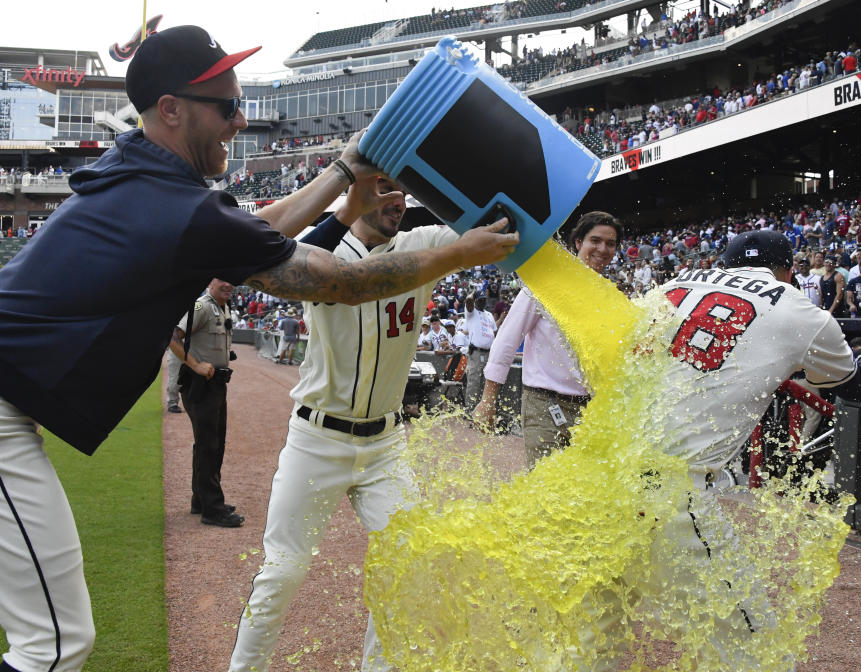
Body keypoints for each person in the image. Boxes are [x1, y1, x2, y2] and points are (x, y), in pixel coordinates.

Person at [0, 26, 517, 672]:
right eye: (225, 106)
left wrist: (340, 172)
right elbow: (340, 282)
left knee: (52, 636)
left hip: (9, 402)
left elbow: (249, 232)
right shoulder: (176, 207)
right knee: (54, 643)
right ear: (171, 110)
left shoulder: (143, 171)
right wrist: (460, 253)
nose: (240, 120)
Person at [576, 230, 861, 671]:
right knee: (756, 649)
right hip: (668, 488)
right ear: (788, 271)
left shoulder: (669, 285)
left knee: (594, 631)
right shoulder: (798, 307)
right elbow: (857, 389)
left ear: (723, 265)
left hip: (598, 472)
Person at [229, 175, 473, 672]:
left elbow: (487, 231)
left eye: (403, 192)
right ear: (359, 189)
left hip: (386, 444)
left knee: (406, 569)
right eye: (386, 188)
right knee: (283, 573)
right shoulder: (320, 249)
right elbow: (264, 256)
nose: (398, 201)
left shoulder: (421, 245)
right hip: (317, 437)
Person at [473, 211, 621, 467]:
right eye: (595, 241)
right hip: (544, 405)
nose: (602, 249)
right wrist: (487, 401)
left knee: (583, 493)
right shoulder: (544, 284)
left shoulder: (611, 297)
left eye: (610, 244)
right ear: (578, 243)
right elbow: (506, 343)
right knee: (544, 493)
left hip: (592, 411)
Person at [169, 278, 242, 527]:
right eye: (222, 279)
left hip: (216, 384)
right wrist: (196, 364)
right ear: (211, 281)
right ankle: (212, 509)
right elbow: (172, 336)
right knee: (208, 445)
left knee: (212, 442)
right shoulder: (201, 307)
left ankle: (201, 499)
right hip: (200, 384)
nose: (228, 284)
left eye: (232, 281)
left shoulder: (223, 307)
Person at [462, 291, 498, 410]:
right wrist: (471, 294)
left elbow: (493, 331)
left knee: (487, 382)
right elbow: (468, 302)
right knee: (474, 382)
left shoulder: (489, 315)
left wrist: (501, 319)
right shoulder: (472, 313)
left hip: (489, 353)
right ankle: (470, 409)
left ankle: (483, 410)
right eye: (480, 299)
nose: (483, 301)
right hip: (476, 353)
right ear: (476, 300)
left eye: (484, 299)